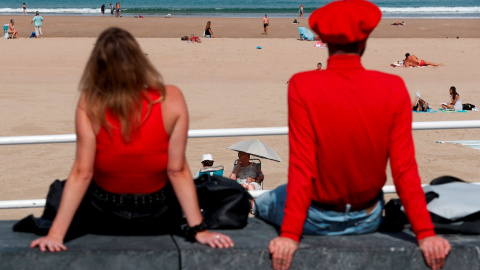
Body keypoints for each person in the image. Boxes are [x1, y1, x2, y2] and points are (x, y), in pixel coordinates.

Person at [254, 1, 451, 270]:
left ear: (322, 39)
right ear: (365, 40)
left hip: (316, 218)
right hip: (367, 217)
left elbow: (302, 165)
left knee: (264, 200)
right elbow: (404, 169)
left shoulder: (303, 85)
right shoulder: (393, 87)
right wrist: (426, 234)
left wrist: (289, 235)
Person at [22, 27, 233, 252]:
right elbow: (177, 171)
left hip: (104, 214)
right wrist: (199, 230)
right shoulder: (170, 97)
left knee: (61, 189)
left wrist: (55, 235)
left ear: (97, 66)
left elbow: (83, 173)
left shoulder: (90, 101)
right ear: (139, 61)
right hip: (157, 215)